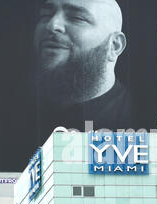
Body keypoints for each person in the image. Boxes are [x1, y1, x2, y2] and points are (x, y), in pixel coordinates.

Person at [33, 0, 132, 139]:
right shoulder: (11, 113)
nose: (52, 25)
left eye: (76, 18)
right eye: (46, 15)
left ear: (114, 46)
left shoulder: (146, 117)